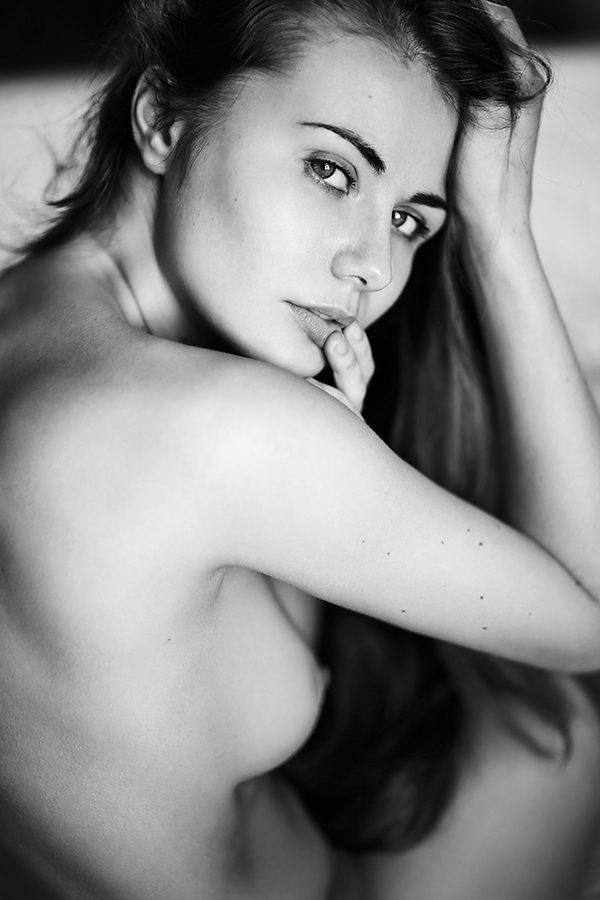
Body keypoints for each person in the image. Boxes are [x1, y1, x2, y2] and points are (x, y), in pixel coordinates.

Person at [0, 0, 600, 897]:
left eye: (413, 221)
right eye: (332, 169)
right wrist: (500, 228)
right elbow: (591, 614)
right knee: (564, 727)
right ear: (162, 119)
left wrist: (330, 437)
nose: (372, 265)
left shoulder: (27, 321)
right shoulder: (225, 428)